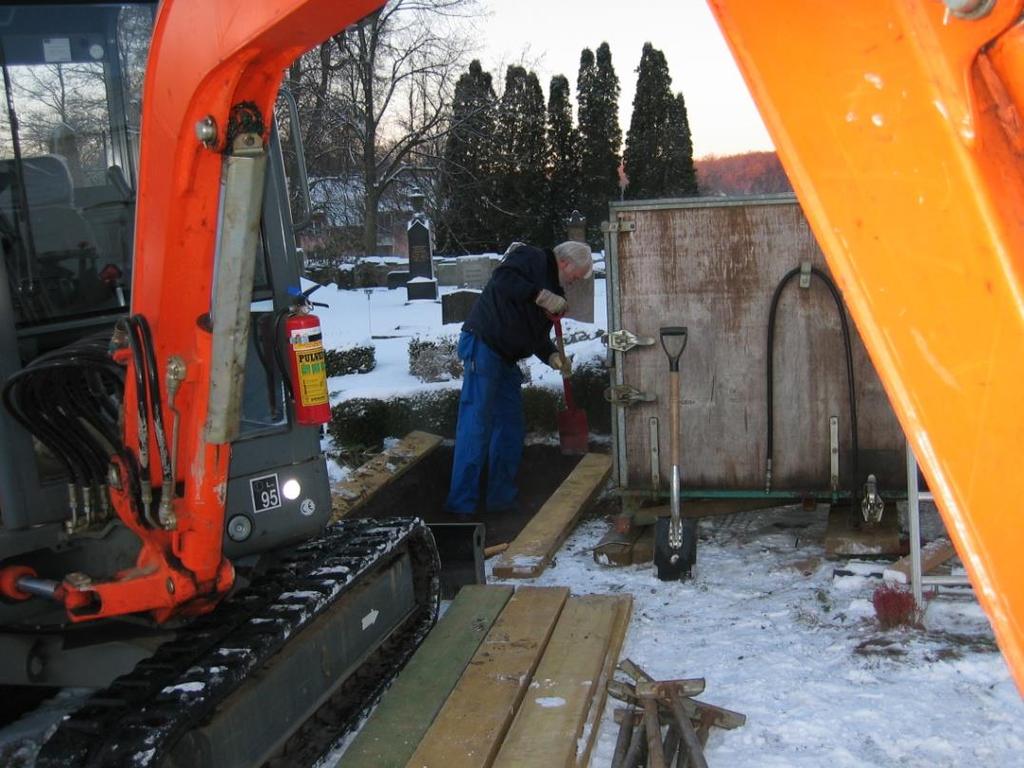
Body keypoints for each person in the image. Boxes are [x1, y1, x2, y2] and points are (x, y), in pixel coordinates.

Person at [444, 240, 593, 515]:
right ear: (564, 262)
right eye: (576, 274)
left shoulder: (555, 290)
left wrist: (551, 356)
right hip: (484, 345)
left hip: (507, 358)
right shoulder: (532, 256)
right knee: (475, 427)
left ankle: (501, 501)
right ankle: (460, 508)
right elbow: (502, 279)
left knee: (510, 430)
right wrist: (541, 295)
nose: (575, 281)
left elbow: (534, 334)